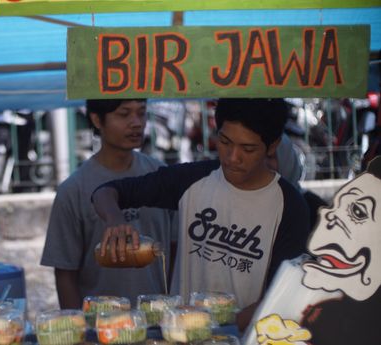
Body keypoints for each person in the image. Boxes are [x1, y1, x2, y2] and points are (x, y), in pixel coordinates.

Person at [92, 98, 310, 330]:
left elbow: (280, 293)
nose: (232, 157)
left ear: (273, 145)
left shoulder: (289, 206)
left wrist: (217, 330)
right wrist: (114, 220)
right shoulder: (193, 179)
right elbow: (106, 192)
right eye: (225, 142)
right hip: (180, 335)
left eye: (248, 149)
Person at [40, 99, 177, 309]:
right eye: (124, 114)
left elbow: (176, 250)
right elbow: (65, 273)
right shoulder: (73, 190)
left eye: (141, 113)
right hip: (102, 327)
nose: (136, 123)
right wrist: (80, 331)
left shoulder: (161, 176)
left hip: (158, 324)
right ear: (96, 119)